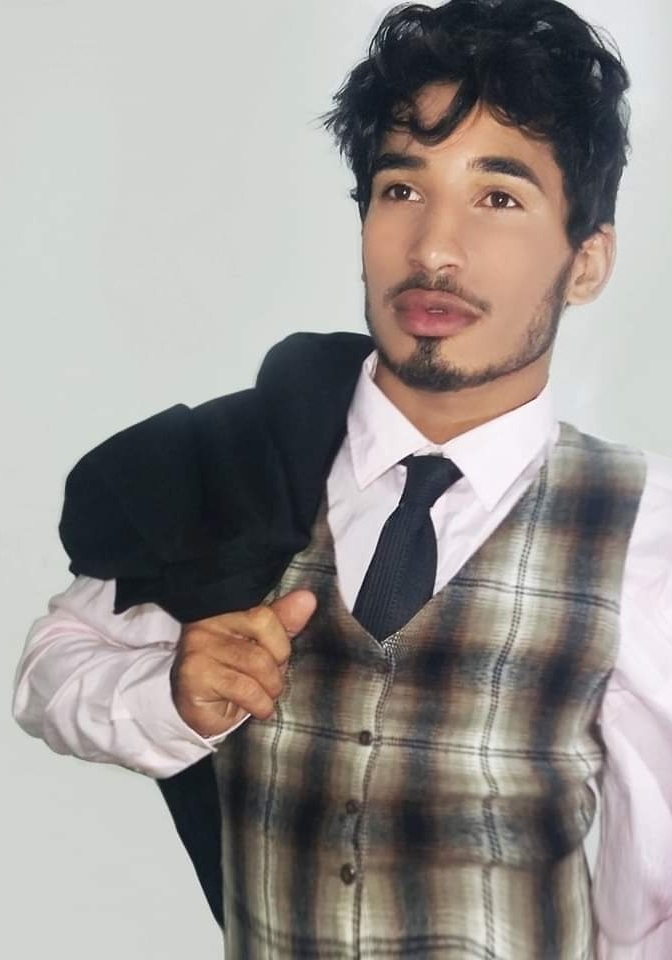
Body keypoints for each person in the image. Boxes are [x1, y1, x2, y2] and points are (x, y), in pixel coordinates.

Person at [12, 0, 672, 956]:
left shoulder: (644, 535)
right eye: (402, 189)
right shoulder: (235, 464)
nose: (434, 250)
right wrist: (169, 693)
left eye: (498, 198)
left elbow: (654, 901)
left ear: (587, 261)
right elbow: (53, 669)